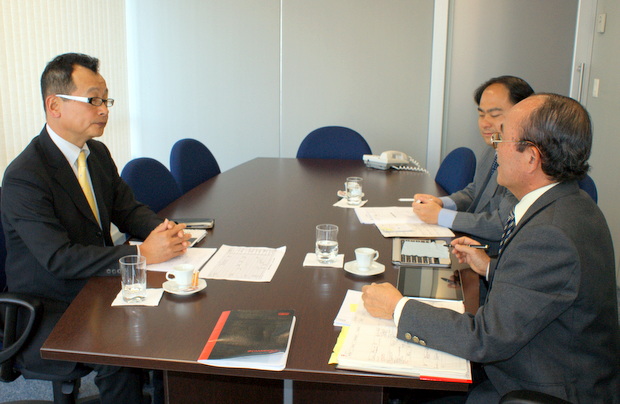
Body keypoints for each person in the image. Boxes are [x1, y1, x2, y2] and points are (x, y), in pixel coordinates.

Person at [362, 94, 620, 403]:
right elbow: (547, 287)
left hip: (535, 388)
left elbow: (485, 338)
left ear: (531, 158)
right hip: (543, 362)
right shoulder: (570, 203)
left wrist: (398, 307)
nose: (495, 149)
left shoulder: (550, 234)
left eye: (503, 139)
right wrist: (489, 266)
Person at [1, 53, 190, 402]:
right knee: (122, 349)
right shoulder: (25, 177)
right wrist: (142, 253)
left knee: (173, 315)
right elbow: (59, 258)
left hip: (98, 285)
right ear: (54, 105)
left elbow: (128, 210)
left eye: (106, 100)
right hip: (50, 305)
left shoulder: (96, 154)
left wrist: (165, 230)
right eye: (93, 100)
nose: (104, 110)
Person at [413, 76, 533, 244]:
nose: (485, 123)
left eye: (495, 115)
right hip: (470, 243)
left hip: (492, 253)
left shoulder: (527, 163)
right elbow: (475, 191)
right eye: (481, 114)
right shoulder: (493, 148)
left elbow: (501, 225)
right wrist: (442, 203)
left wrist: (441, 216)